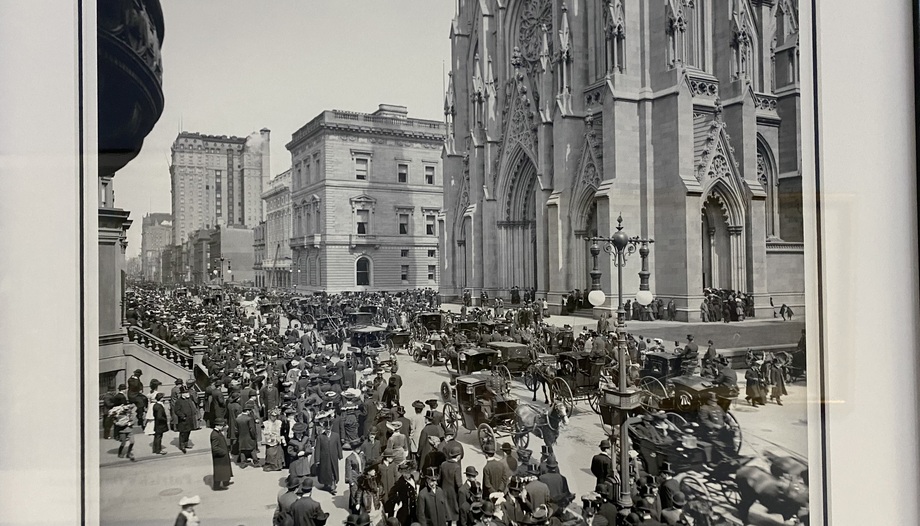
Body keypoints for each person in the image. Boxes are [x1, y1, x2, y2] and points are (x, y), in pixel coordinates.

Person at [110, 394, 137, 461]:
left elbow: (132, 417)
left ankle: (128, 453)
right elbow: (114, 419)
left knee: (132, 442)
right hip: (122, 429)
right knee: (123, 442)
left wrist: (130, 422)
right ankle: (120, 453)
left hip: (128, 427)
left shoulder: (128, 409)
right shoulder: (116, 410)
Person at [236, 400, 262, 468]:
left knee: (242, 450)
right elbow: (251, 429)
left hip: (241, 437)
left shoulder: (238, 419)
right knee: (252, 450)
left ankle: (243, 463)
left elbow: (236, 430)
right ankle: (256, 462)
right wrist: (254, 436)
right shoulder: (249, 419)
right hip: (249, 437)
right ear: (247, 411)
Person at [210, 420, 233, 491]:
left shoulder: (217, 433)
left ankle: (226, 481)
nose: (223, 427)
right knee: (219, 471)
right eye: (222, 426)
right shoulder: (214, 435)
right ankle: (216, 487)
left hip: (222, 455)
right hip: (219, 456)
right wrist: (223, 452)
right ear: (217, 425)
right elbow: (215, 447)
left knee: (224, 469)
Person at [174, 387, 198, 454]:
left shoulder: (188, 399)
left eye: (187, 392)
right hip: (183, 420)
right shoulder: (179, 401)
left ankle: (186, 443)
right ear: (182, 394)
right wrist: (182, 416)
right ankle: (182, 445)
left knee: (188, 431)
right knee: (183, 433)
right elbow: (177, 410)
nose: (188, 393)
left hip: (190, 418)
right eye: (186, 392)